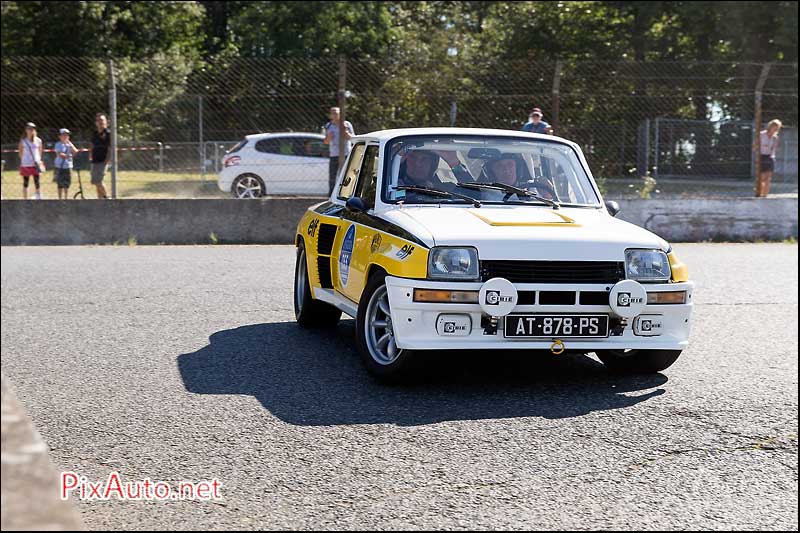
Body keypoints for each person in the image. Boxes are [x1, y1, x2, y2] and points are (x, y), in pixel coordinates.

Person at [322, 107, 354, 194]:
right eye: (333, 113)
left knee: (347, 175)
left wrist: (346, 133)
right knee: (332, 176)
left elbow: (352, 139)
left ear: (340, 114)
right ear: (330, 115)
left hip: (346, 153)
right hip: (334, 154)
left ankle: (346, 194)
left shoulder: (347, 124)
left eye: (336, 113)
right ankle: (331, 195)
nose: (335, 115)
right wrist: (328, 137)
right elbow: (325, 142)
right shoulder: (328, 126)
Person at [18, 122, 44, 200]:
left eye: (32, 129)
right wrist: (24, 160)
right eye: (29, 129)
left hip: (35, 164)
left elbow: (40, 151)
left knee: (37, 181)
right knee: (26, 182)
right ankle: (25, 198)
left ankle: (38, 196)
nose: (30, 130)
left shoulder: (38, 140)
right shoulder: (23, 141)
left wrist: (38, 161)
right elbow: (20, 152)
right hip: (26, 164)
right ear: (26, 130)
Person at [756, 119, 782, 196]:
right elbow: (755, 146)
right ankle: (759, 193)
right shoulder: (761, 134)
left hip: (770, 157)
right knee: (761, 178)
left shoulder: (775, 138)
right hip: (761, 156)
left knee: (768, 178)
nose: (775, 129)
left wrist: (772, 155)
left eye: (777, 128)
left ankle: (765, 195)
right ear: (770, 126)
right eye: (774, 127)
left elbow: (774, 148)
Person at [53, 128, 79, 199]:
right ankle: (60, 198)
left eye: (67, 135)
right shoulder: (58, 144)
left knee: (67, 183)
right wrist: (69, 156)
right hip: (60, 166)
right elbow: (60, 154)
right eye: (63, 135)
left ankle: (66, 197)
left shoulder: (69, 145)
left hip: (68, 166)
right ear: (60, 136)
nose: (65, 137)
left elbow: (75, 151)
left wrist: (70, 144)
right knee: (60, 183)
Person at [89, 113, 110, 199]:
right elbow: (91, 144)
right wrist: (90, 155)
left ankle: (106, 198)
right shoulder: (95, 133)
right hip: (95, 159)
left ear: (106, 122)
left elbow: (110, 147)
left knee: (99, 181)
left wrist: (108, 159)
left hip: (103, 160)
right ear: (96, 123)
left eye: (102, 120)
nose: (100, 122)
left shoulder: (108, 133)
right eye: (98, 120)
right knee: (95, 181)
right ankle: (99, 200)